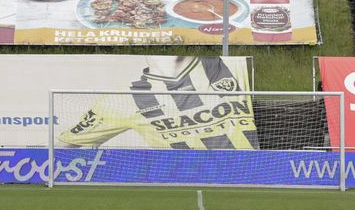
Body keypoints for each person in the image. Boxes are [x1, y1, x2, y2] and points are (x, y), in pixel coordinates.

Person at [58, 56, 258, 150]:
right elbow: (67, 143)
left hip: (248, 171)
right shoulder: (123, 98)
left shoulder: (232, 66)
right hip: (179, 177)